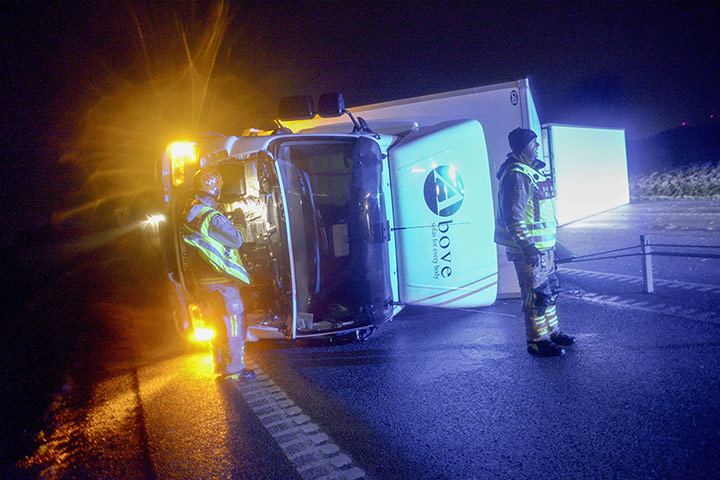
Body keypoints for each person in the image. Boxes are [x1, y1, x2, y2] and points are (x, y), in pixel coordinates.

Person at [494, 128, 576, 357]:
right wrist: (527, 246)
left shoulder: (532, 171)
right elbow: (514, 216)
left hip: (543, 249)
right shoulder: (516, 174)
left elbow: (541, 215)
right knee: (536, 297)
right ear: (522, 148)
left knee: (549, 293)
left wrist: (553, 245)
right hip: (529, 251)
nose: (538, 146)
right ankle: (537, 341)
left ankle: (553, 333)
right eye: (534, 143)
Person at [182, 167, 255, 379]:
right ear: (215, 191)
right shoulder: (211, 217)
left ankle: (219, 361)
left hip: (203, 279)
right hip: (220, 278)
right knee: (234, 320)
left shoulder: (190, 211)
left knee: (216, 321)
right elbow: (236, 239)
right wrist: (240, 218)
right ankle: (236, 367)